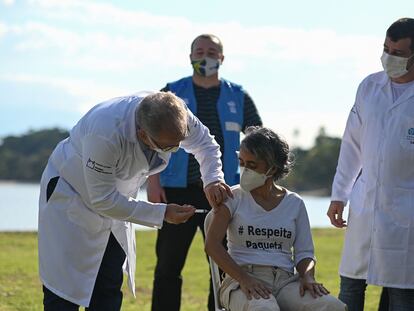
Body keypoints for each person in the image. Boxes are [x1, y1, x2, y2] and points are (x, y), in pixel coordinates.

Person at [38, 91, 233, 310]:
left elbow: (205, 144)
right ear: (142, 135)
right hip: (72, 196)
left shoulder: (175, 111)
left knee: (109, 285)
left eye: (179, 142)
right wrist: (162, 213)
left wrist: (212, 179)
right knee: (64, 292)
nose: (175, 150)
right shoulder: (105, 132)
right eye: (169, 147)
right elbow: (103, 200)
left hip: (117, 203)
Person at [149, 34, 262, 311]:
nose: (205, 56)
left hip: (224, 193)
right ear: (190, 57)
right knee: (168, 264)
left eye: (212, 51)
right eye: (199, 51)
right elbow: (149, 138)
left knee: (223, 264)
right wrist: (153, 181)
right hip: (176, 190)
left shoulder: (239, 96)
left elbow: (258, 141)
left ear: (222, 58)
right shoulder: (171, 92)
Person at [205, 126, 346, 311]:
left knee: (332, 306)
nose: (245, 170)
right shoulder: (233, 197)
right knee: (264, 308)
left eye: (252, 165)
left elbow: (305, 253)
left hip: (286, 282)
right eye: (242, 163)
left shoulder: (294, 203)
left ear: (272, 168)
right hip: (241, 280)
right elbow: (212, 245)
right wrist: (245, 279)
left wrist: (307, 277)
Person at [327, 17, 414, 311]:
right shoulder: (368, 87)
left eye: (399, 53)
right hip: (364, 205)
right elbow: (351, 146)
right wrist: (340, 194)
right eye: (386, 49)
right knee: (351, 286)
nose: (389, 58)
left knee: (403, 294)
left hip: (407, 213)